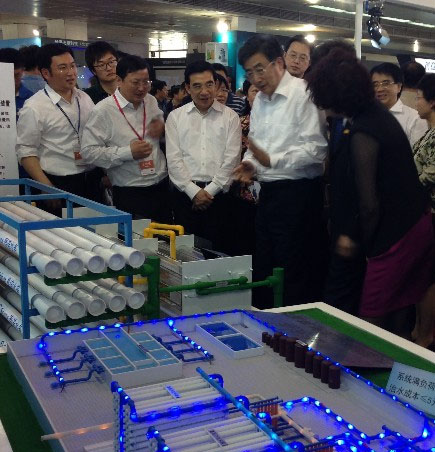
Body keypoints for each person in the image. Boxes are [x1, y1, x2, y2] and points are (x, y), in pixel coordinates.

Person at [307, 49, 434, 337]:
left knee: (371, 317)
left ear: (339, 96)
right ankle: (394, 360)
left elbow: (369, 204)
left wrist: (364, 246)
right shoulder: (376, 116)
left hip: (397, 233)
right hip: (415, 223)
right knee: (397, 309)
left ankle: (368, 364)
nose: (324, 108)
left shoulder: (364, 130)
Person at [234, 35, 328, 309]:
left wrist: (272, 160)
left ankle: (294, 327)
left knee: (293, 270)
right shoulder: (261, 101)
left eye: (259, 69)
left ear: (278, 63)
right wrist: (251, 164)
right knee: (266, 265)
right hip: (269, 195)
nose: (255, 79)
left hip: (299, 196)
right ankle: (266, 323)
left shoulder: (304, 94)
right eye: (249, 73)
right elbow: (256, 145)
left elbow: (317, 150)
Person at [81, 55, 169, 222]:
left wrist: (162, 128)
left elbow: (159, 128)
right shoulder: (103, 111)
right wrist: (128, 153)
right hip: (130, 191)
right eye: (135, 82)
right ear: (119, 81)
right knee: (138, 237)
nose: (142, 88)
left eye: (146, 82)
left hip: (161, 184)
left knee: (167, 235)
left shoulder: (150, 101)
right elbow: (88, 152)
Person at [16, 43, 101, 215]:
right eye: (63, 68)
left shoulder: (84, 98)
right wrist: (46, 186)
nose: (71, 72)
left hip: (90, 179)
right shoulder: (34, 107)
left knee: (96, 229)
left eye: (72, 66)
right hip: (57, 184)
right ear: (46, 73)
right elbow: (25, 151)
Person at [166, 60, 241, 250]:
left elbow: (232, 159)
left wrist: (209, 192)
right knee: (185, 253)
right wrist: (194, 192)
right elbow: (174, 160)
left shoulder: (230, 117)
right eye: (197, 86)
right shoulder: (175, 117)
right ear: (187, 88)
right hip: (185, 198)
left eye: (209, 84)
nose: (204, 91)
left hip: (220, 198)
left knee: (221, 251)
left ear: (216, 85)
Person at [412, 73, 435, 349]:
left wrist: (405, 187)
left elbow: (430, 174)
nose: (415, 102)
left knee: (429, 278)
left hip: (432, 214)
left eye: (419, 98)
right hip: (424, 214)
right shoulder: (428, 132)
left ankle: (426, 334)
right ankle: (421, 330)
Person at [370, 63, 427, 147]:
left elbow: (418, 153)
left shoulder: (414, 118)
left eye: (386, 83)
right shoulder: (366, 116)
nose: (379, 89)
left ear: (399, 87)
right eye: (375, 85)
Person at [0, 48, 33, 119]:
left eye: (16, 75)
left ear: (23, 71)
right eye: (6, 75)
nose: (12, 80)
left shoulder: (31, 99)